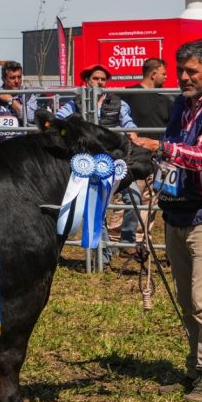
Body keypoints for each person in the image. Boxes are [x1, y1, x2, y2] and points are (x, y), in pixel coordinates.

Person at [133, 40, 202, 402]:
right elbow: (175, 147)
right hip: (178, 208)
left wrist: (158, 148)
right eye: (181, 70)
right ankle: (195, 368)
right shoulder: (181, 105)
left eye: (192, 70)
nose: (183, 77)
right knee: (185, 296)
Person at [56, 65, 138, 265]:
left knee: (134, 197)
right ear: (87, 80)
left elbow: (129, 124)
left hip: (115, 161)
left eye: (103, 79)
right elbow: (58, 119)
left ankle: (126, 241)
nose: (100, 82)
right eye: (96, 78)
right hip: (88, 164)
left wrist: (132, 133)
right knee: (96, 206)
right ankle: (103, 255)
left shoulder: (118, 103)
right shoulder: (74, 104)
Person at [118, 58, 174, 253]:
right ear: (153, 74)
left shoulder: (166, 100)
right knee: (128, 197)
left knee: (151, 200)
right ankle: (120, 239)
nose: (166, 78)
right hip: (134, 157)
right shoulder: (128, 95)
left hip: (158, 157)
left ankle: (141, 241)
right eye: (164, 74)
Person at [0, 61, 37, 144]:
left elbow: (31, 118)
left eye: (19, 77)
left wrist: (11, 101)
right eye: (12, 78)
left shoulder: (28, 95)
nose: (17, 81)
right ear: (3, 79)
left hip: (21, 145)